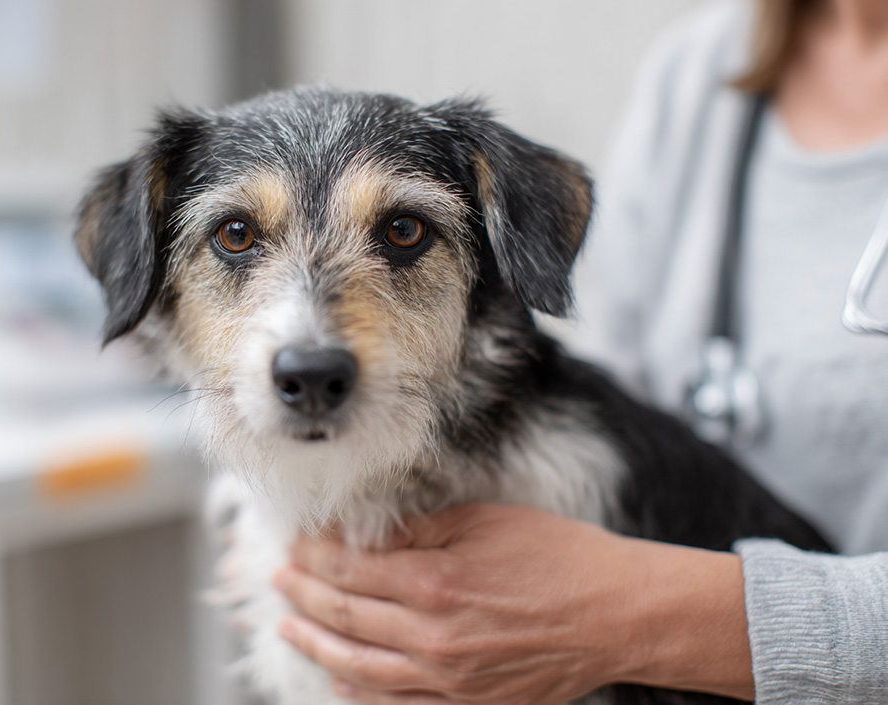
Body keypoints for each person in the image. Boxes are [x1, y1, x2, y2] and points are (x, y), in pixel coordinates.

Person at [271, 0, 888, 702]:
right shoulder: (700, 73)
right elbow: (619, 379)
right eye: (237, 237)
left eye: (403, 231)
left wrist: (629, 615)